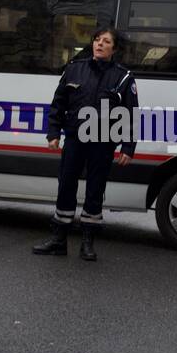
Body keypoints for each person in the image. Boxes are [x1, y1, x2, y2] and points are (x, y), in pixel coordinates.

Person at [33, 27, 138, 261]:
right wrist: (53, 132)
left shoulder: (123, 77)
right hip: (74, 138)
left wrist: (128, 147)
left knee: (95, 190)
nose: (99, 44)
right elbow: (58, 104)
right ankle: (59, 240)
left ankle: (87, 243)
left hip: (103, 140)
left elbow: (130, 114)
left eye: (106, 41)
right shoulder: (74, 69)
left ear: (115, 48)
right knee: (66, 185)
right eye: (97, 40)